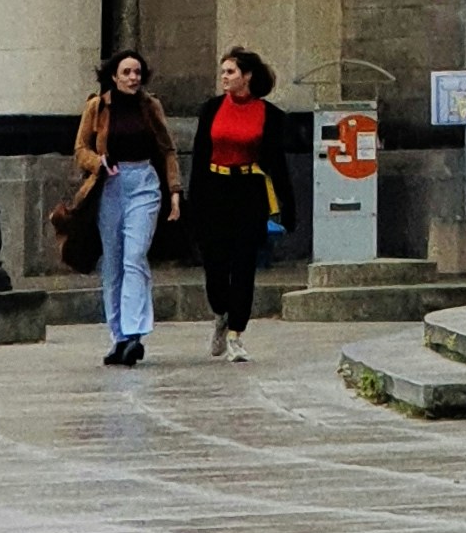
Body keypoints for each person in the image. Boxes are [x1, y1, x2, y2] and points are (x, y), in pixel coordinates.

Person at [186, 48, 299, 359]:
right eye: (223, 72)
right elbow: (199, 156)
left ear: (247, 76)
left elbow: (277, 163)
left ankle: (237, 332)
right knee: (215, 264)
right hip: (214, 187)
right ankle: (220, 312)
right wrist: (192, 201)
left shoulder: (269, 114)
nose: (224, 77)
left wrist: (288, 208)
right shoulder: (211, 109)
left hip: (248, 189)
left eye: (231, 72)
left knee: (244, 263)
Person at [72, 47, 180, 367]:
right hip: (110, 186)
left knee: (135, 255)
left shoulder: (150, 106)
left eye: (137, 73)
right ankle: (118, 335)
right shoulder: (97, 106)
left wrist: (174, 190)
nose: (133, 78)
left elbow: (168, 149)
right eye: (127, 72)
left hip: (144, 182)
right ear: (114, 76)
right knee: (113, 261)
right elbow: (80, 148)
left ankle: (135, 333)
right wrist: (98, 162)